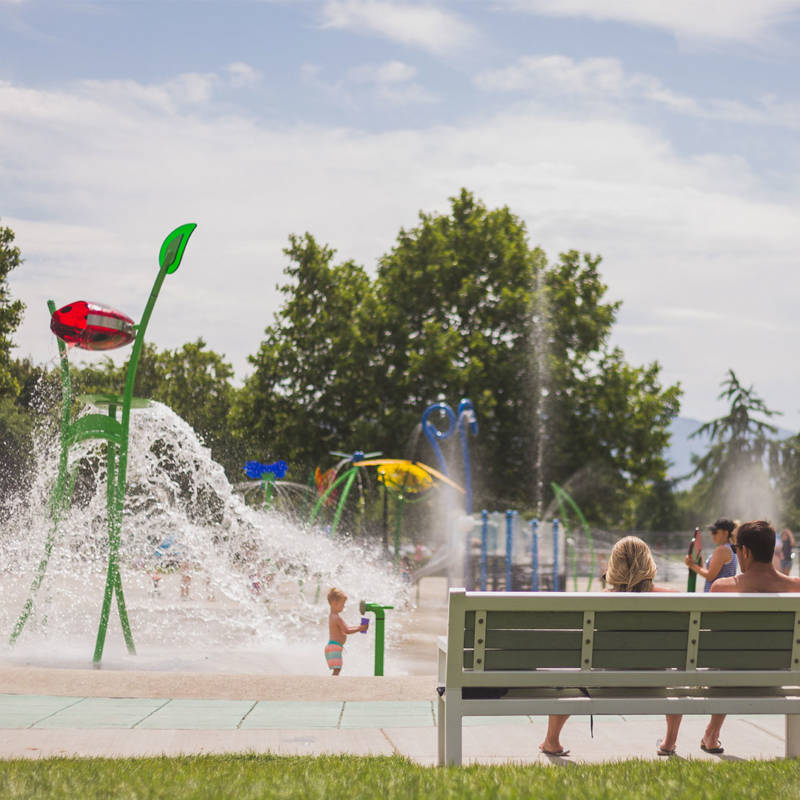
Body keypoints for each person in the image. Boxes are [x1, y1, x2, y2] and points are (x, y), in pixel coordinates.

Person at [667, 521, 800, 755]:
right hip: (779, 673)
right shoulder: (796, 588)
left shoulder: (722, 588)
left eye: (737, 549)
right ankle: (712, 734)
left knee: (733, 658)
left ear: (745, 551)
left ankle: (693, 737)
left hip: (728, 674)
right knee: (743, 655)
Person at [539, 536, 677, 757]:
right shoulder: (674, 598)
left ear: (615, 565)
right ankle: (669, 742)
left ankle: (551, 741)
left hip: (606, 679)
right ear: (648, 562)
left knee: (569, 674)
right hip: (659, 678)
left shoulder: (598, 601)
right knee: (676, 676)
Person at [685, 518, 737, 591]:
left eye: (715, 532)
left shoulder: (722, 550)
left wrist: (691, 565)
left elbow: (710, 576)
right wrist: (700, 566)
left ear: (725, 533)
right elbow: (715, 574)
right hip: (723, 595)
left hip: (716, 597)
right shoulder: (730, 548)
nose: (712, 534)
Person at [325, 587, 367, 676]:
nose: (344, 607)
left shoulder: (332, 616)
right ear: (334, 603)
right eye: (342, 604)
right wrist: (361, 628)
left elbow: (346, 629)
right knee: (337, 670)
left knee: (337, 669)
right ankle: (332, 684)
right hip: (334, 647)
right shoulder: (337, 618)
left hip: (332, 646)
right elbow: (347, 630)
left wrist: (359, 627)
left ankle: (333, 682)